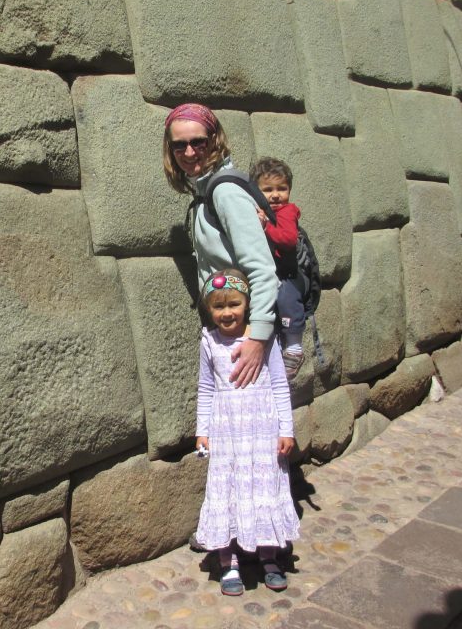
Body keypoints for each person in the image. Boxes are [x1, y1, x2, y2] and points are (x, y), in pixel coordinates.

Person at [193, 269, 300, 596]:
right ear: (209, 309)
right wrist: (202, 431)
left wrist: (287, 429)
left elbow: (280, 385)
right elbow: (206, 388)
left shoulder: (262, 339)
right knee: (229, 491)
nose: (227, 313)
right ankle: (228, 560)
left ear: (247, 303)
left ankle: (268, 556)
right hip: (227, 431)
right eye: (218, 307)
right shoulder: (209, 341)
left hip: (262, 428)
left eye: (234, 304)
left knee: (262, 487)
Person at [163, 103, 279, 386]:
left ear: (214, 140)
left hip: (246, 332)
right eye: (179, 146)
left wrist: (257, 338)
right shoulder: (204, 196)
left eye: (197, 142)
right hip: (229, 328)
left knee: (255, 422)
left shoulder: (224, 193)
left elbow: (262, 270)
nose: (189, 153)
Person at [250, 157, 306, 379]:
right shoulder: (261, 210)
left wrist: (265, 228)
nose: (275, 195)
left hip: (287, 274)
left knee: (287, 300)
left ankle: (294, 348)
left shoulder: (287, 211)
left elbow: (288, 239)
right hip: (270, 272)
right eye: (268, 189)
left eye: (281, 189)